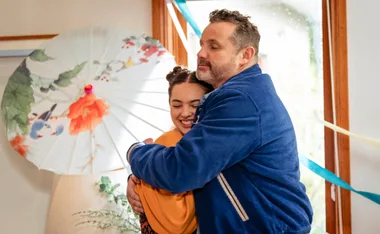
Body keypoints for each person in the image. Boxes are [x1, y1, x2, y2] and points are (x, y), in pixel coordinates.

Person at [127, 9, 313, 233]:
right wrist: (136, 178)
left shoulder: (240, 100)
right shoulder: (240, 94)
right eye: (202, 44)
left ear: (245, 55)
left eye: (214, 47)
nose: (201, 53)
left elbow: (182, 170)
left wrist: (135, 151)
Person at [133, 66, 213, 234]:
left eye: (195, 105)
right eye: (177, 105)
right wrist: (134, 180)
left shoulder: (218, 144)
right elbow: (176, 222)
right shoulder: (166, 143)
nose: (185, 113)